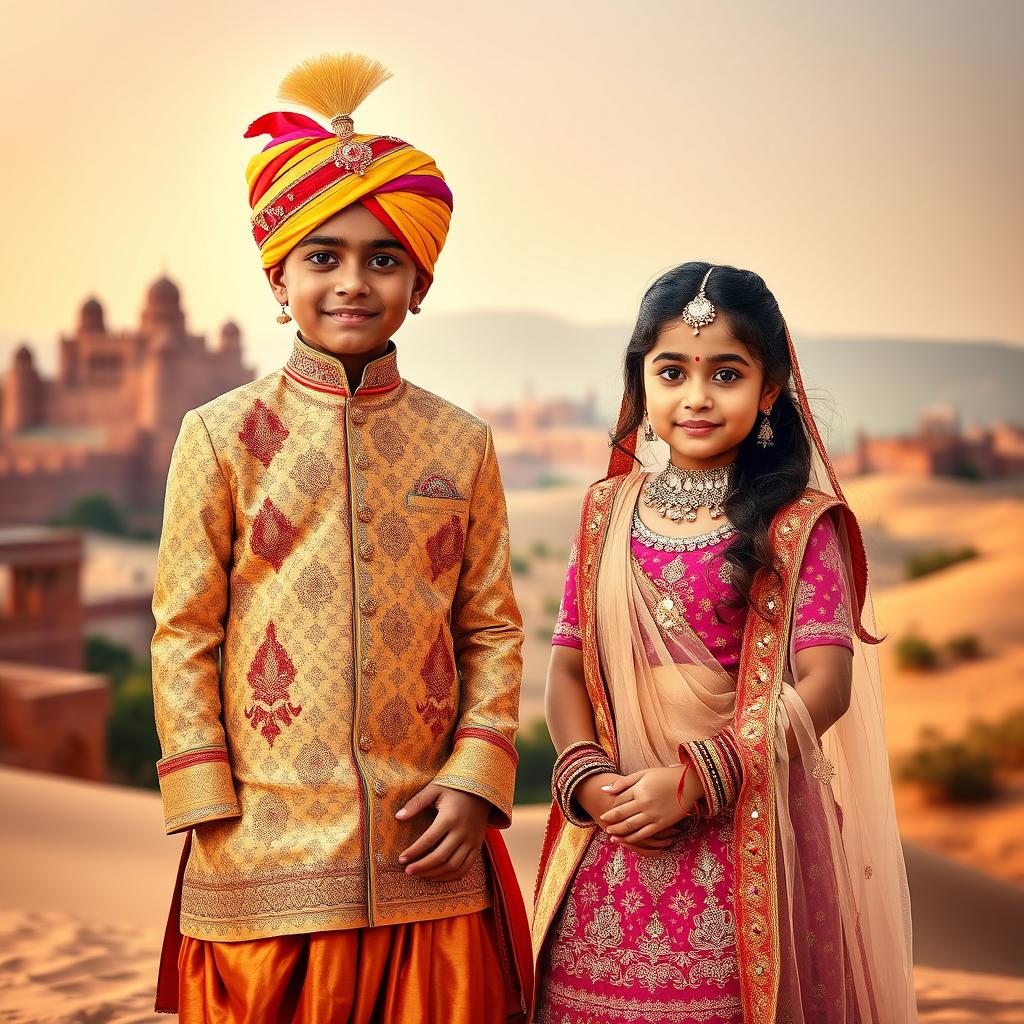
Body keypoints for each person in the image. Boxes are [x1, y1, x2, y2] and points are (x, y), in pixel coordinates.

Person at [150, 53, 531, 1023]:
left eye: (383, 258)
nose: (352, 282)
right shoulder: (218, 435)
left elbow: (490, 627)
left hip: (427, 846)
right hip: (262, 853)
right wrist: (207, 804)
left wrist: (476, 780)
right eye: (322, 257)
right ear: (280, 280)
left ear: (420, 282)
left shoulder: (462, 442)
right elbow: (183, 629)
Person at [532, 263, 916, 1023]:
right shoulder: (606, 512)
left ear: (769, 390)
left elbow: (825, 686)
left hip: (745, 832)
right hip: (613, 831)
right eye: (671, 371)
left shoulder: (798, 525)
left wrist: (700, 778)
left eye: (727, 374)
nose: (697, 397)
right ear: (641, 386)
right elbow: (568, 670)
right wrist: (584, 778)